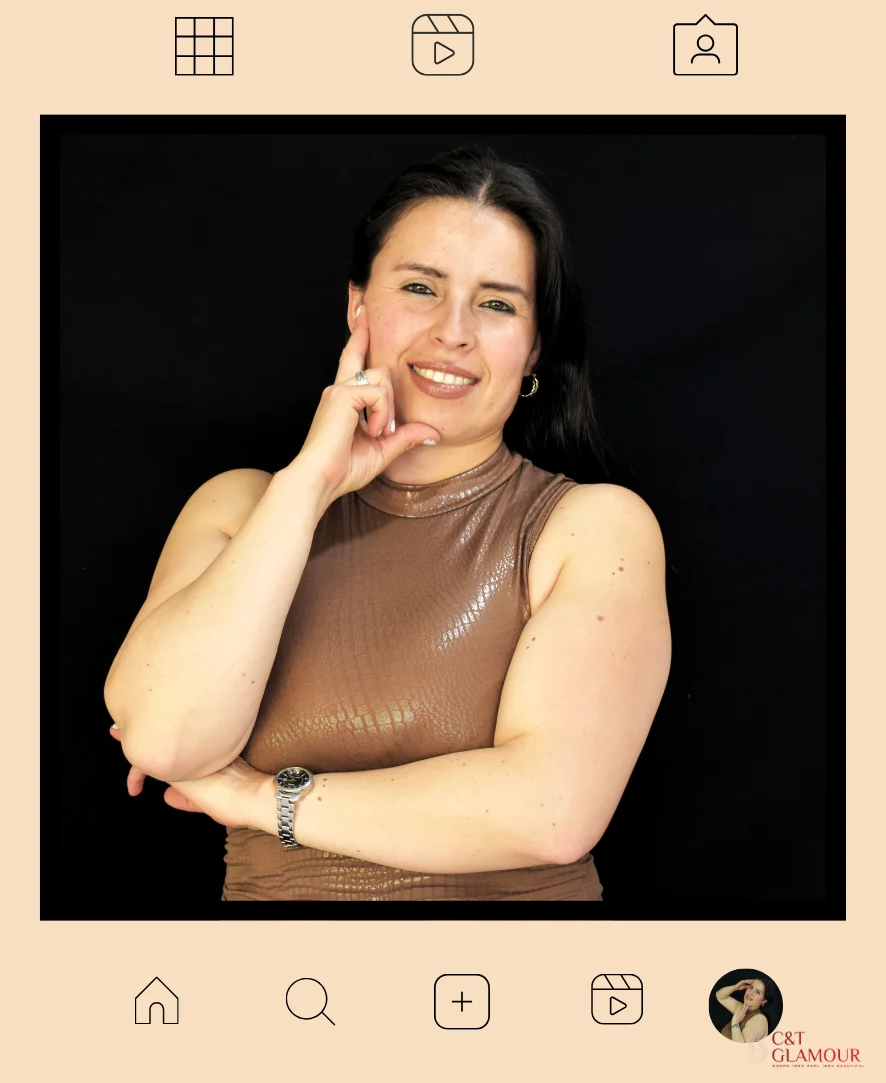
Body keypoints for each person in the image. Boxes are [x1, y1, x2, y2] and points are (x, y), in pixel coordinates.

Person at [104, 145, 672, 901]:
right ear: (358, 308)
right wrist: (309, 486)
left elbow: (551, 812)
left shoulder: (592, 527)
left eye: (498, 303)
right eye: (420, 287)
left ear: (535, 345)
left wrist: (257, 798)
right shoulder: (239, 508)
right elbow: (166, 737)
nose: (454, 331)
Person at [716, 978, 771, 1042]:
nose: (751, 993)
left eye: (757, 992)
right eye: (751, 987)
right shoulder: (742, 1008)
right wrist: (735, 987)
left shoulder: (760, 1020)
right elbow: (720, 996)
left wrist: (735, 1022)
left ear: (764, 1000)